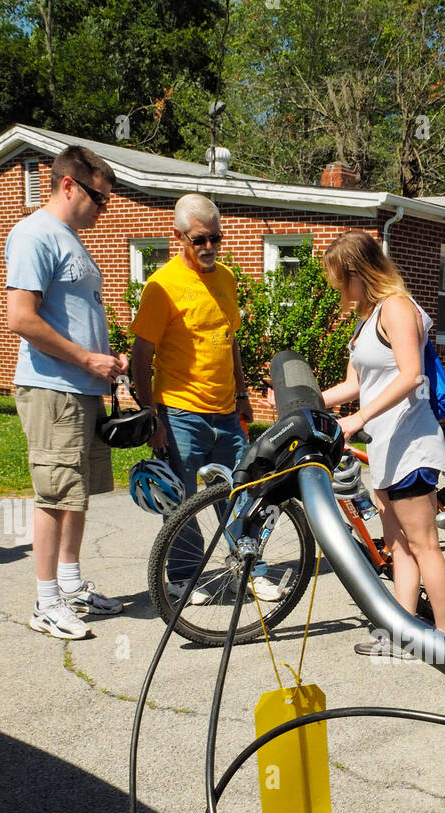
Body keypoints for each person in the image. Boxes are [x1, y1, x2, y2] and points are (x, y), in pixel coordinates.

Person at [130, 195, 280, 602]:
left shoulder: (227, 278)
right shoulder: (162, 286)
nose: (209, 247)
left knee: (244, 492)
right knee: (182, 501)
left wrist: (242, 393)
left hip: (226, 412)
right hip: (178, 412)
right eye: (200, 239)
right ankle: (182, 577)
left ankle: (252, 569)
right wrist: (150, 416)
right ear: (178, 236)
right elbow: (141, 356)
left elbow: (229, 342)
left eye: (216, 237)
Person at [6, 145, 128, 639]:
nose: (104, 209)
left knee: (75, 493)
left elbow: (71, 318)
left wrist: (105, 357)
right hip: (52, 388)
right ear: (69, 185)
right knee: (55, 494)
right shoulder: (35, 234)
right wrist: (85, 358)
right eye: (100, 199)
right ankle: (46, 601)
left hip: (81, 388)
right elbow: (21, 318)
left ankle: (72, 586)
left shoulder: (70, 238)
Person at [321, 230, 445, 656]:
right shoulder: (367, 318)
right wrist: (304, 402)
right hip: (385, 443)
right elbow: (353, 383)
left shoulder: (396, 308)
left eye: (341, 279)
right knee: (397, 545)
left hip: (412, 441)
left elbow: (411, 373)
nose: (338, 289)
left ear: (359, 272)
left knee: (423, 543)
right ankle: (403, 633)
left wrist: (357, 418)